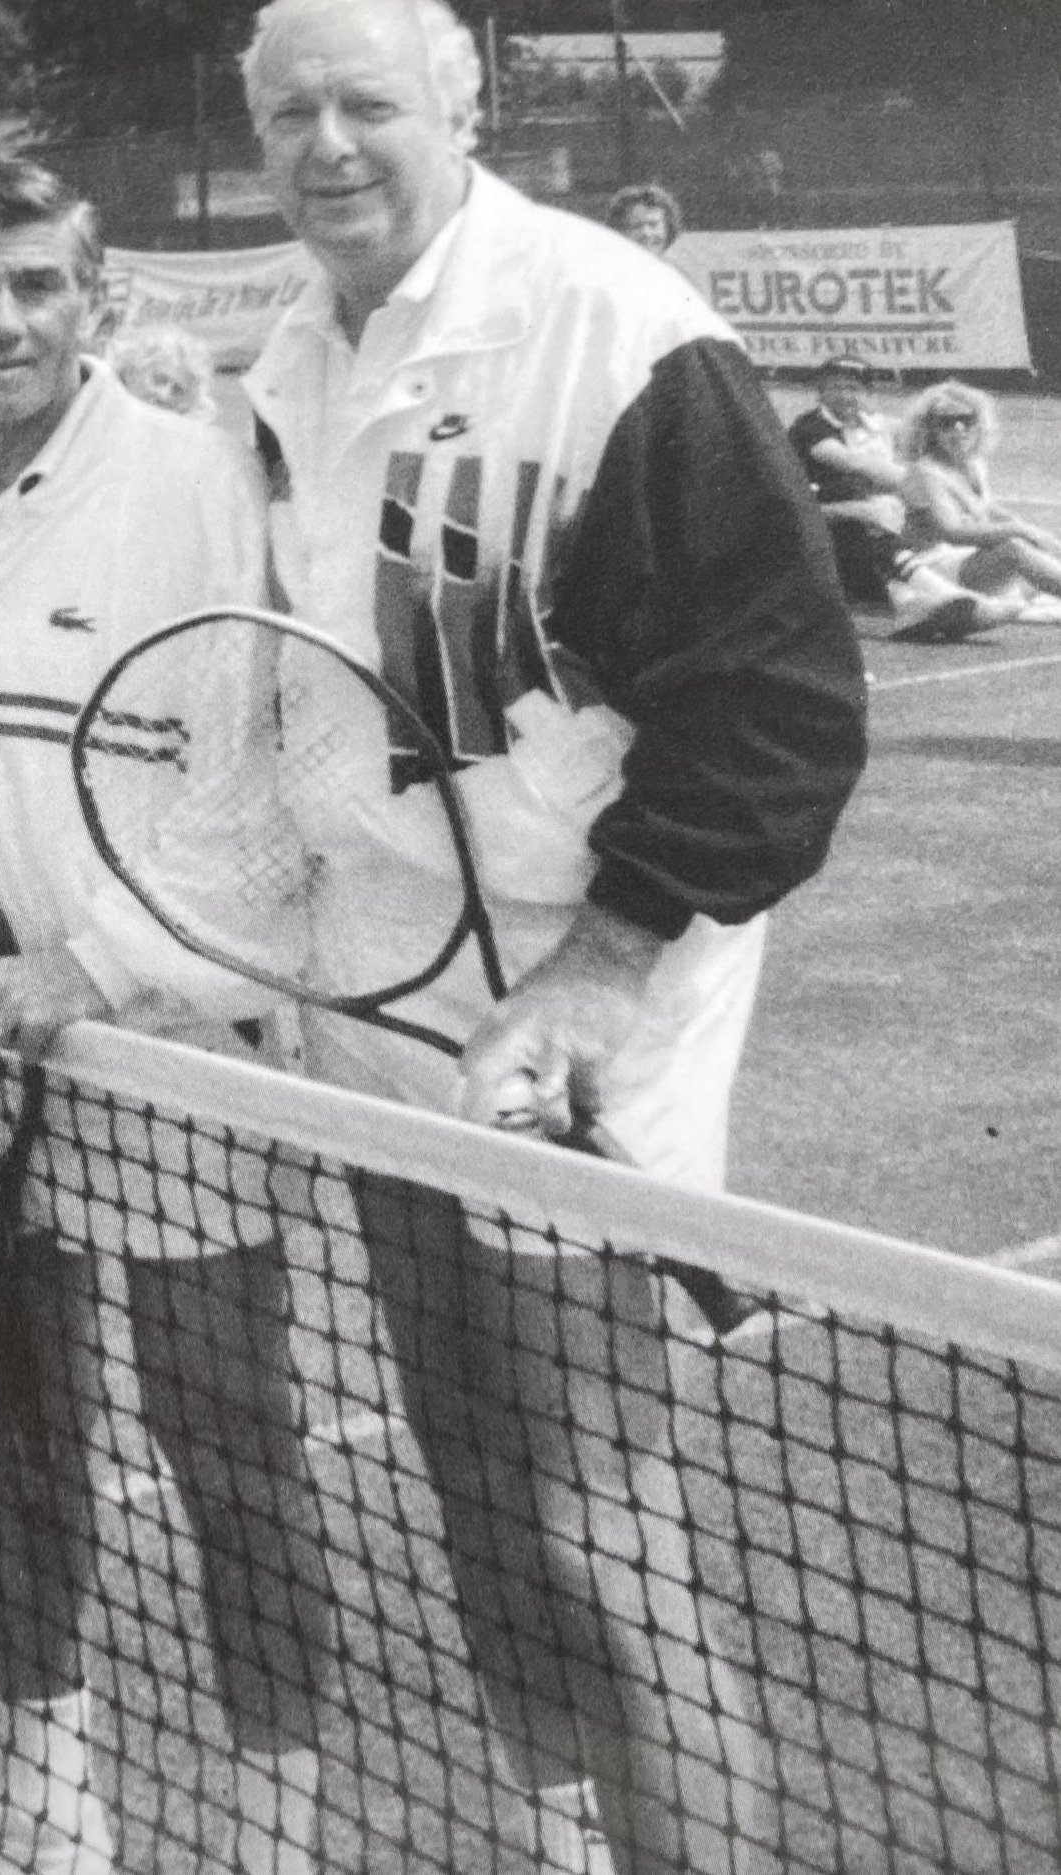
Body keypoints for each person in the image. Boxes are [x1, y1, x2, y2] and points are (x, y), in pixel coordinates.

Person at [233, 3, 864, 1871]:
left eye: (369, 104)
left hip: (583, 991)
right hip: (378, 996)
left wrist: (600, 970)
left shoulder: (617, 330)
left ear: (466, 105)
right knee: (470, 1466)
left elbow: (778, 706)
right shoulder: (289, 348)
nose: (327, 144)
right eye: (290, 113)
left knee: (598, 1509)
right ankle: (574, 1843)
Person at [0, 158, 335, 1875]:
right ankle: (48, 1796)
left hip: (168, 1056)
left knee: (231, 1461)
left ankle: (273, 1828)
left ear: (98, 303)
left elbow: (255, 797)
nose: (4, 318)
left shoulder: (196, 485)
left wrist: (93, 970)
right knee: (15, 1447)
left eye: (39, 283)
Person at [893, 378, 1061, 633]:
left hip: (967, 561)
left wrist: (1032, 531)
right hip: (937, 568)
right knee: (1014, 549)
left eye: (967, 420)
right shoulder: (923, 473)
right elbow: (951, 531)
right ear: (930, 431)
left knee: (1038, 547)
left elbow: (986, 508)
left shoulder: (974, 465)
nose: (959, 429)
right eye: (946, 423)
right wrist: (1018, 530)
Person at [785, 356, 906, 607]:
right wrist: (917, 483)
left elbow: (918, 432)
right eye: (835, 387)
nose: (844, 395)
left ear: (867, 393)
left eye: (853, 388)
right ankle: (904, 595)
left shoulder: (875, 426)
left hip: (860, 523)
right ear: (820, 392)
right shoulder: (810, 427)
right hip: (817, 525)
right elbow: (852, 463)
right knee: (868, 522)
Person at [105, 321, 222, 422]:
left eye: (177, 390)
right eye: (159, 380)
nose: (164, 395)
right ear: (131, 373)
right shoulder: (100, 403)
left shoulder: (183, 436)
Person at [605, 182, 682, 255]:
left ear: (668, 228)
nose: (646, 233)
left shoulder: (674, 268)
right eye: (636, 225)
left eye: (653, 224)